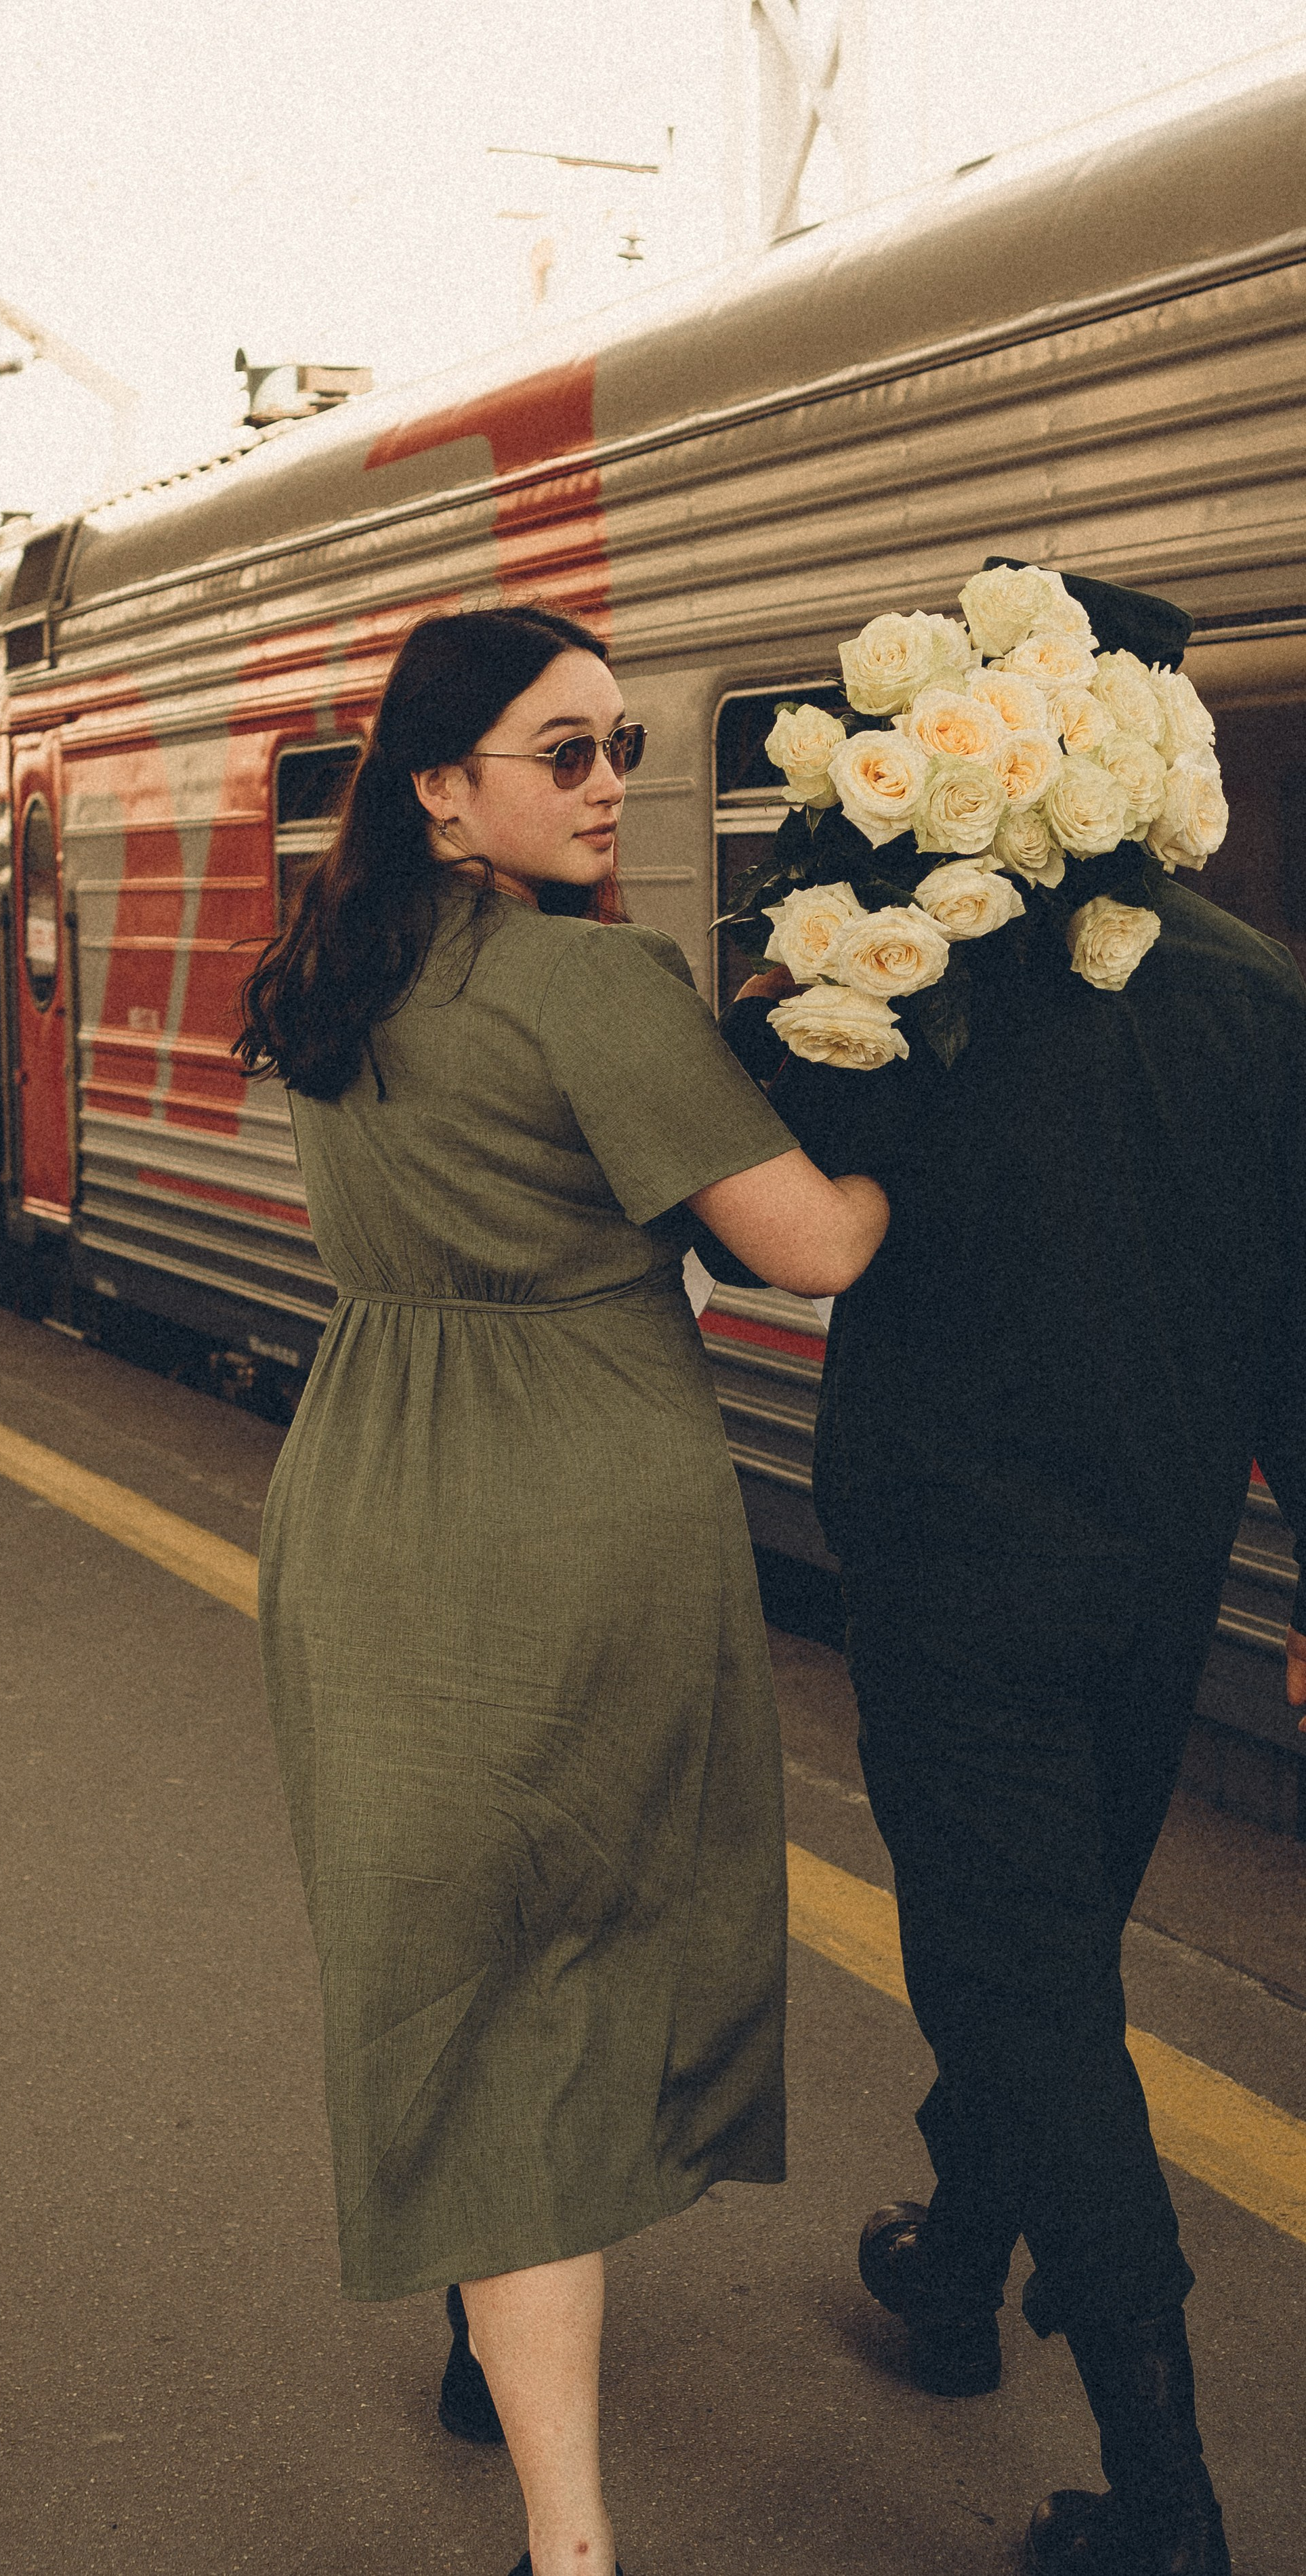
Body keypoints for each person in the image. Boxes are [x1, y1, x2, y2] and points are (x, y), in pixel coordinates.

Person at [236, 606, 889, 2576]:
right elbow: (806, 1250)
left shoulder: (328, 978)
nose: (615, 784)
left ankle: (477, 2329)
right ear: (446, 789)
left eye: (623, 748)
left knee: (451, 1951)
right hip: (573, 1503)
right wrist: (892, 1149)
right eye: (570, 753)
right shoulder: (589, 988)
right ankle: (574, 2547)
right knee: (559, 1980)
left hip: (364, 1494)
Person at [725, 569, 1306, 2576]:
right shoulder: (1260, 993)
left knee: (1018, 1966)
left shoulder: (904, 981)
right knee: (1042, 1936)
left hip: (954, 1561)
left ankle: (1170, 2500)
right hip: (1154, 1571)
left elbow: (744, 1225)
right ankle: (964, 2255)